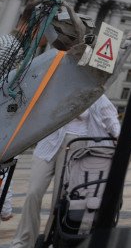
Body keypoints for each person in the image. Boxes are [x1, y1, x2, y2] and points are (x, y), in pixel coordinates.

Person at [10, 94, 120, 248]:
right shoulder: (63, 84)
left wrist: (119, 135)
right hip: (48, 144)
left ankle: (51, 239)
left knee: (60, 200)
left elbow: (110, 117)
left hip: (76, 146)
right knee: (33, 193)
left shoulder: (95, 91)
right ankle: (23, 242)